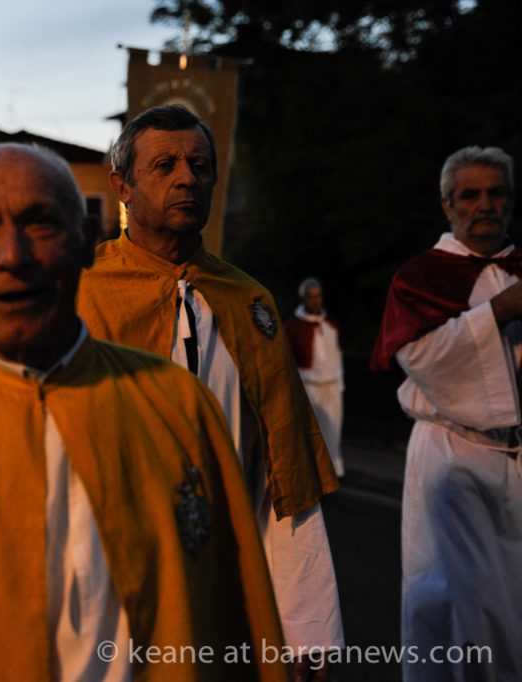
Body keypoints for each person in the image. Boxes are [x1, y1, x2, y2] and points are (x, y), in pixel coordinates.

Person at [0, 142, 286, 681]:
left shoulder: (181, 409)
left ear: (86, 242)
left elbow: (233, 617)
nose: (13, 256)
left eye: (41, 223)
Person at [76, 104, 343, 677]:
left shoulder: (248, 301)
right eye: (164, 165)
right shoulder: (79, 297)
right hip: (113, 583)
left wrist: (308, 628)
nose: (186, 179)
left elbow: (284, 476)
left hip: (228, 576)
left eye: (199, 165)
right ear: (122, 187)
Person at [371, 146, 521, 681]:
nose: (485, 205)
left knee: (512, 605)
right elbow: (420, 356)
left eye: (496, 193)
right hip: (451, 454)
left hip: (516, 457)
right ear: (447, 205)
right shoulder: (423, 277)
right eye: (470, 195)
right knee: (457, 601)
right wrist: (499, 312)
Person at [285, 278, 345, 477]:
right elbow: (288, 360)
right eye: (311, 297)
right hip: (308, 384)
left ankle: (333, 471)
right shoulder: (293, 327)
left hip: (332, 385)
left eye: (318, 296)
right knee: (309, 432)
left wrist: (340, 384)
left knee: (333, 429)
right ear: (304, 299)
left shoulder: (331, 324)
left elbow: (337, 355)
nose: (316, 301)